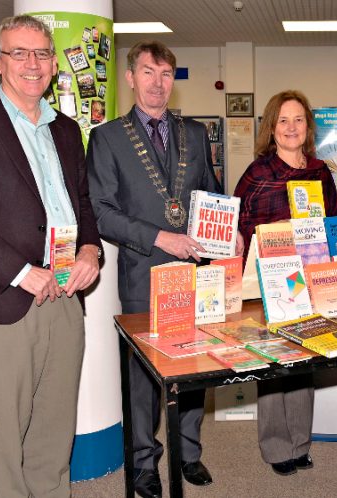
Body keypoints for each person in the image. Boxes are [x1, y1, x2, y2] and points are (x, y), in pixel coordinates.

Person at [86, 41, 235, 497]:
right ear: (130, 78)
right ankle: (144, 463)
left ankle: (189, 454)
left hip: (194, 271)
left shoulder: (195, 132)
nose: (157, 82)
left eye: (166, 73)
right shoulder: (107, 137)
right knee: (144, 380)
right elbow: (101, 210)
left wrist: (228, 228)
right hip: (142, 273)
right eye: (148, 72)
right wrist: (158, 236)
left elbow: (209, 190)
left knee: (193, 369)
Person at [0, 15, 101, 498]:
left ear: (54, 65)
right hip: (5, 303)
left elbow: (84, 204)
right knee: (1, 439)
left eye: (41, 55)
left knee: (54, 430)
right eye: (19, 53)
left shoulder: (67, 131)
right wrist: (18, 271)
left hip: (65, 298)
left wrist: (92, 251)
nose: (31, 64)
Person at [234, 90, 337, 476]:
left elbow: (335, 221)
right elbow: (238, 226)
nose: (291, 127)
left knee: (303, 361)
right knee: (274, 363)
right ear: (271, 128)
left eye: (298, 120)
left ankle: (300, 442)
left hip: (310, 279)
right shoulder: (257, 174)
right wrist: (266, 232)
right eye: (283, 120)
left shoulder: (320, 171)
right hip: (270, 281)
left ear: (308, 127)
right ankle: (277, 446)